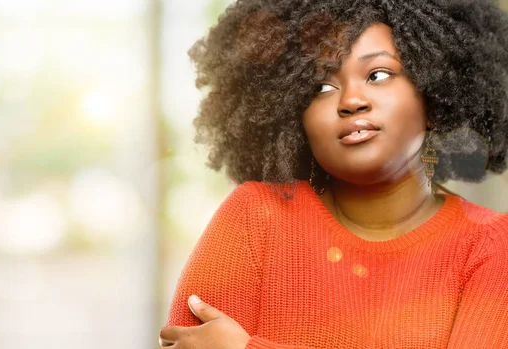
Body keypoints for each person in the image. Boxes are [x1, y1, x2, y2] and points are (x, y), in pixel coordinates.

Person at [159, 0, 508, 348]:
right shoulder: (254, 218)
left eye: (378, 75)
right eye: (321, 87)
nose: (352, 100)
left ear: (433, 98)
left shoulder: (491, 245)